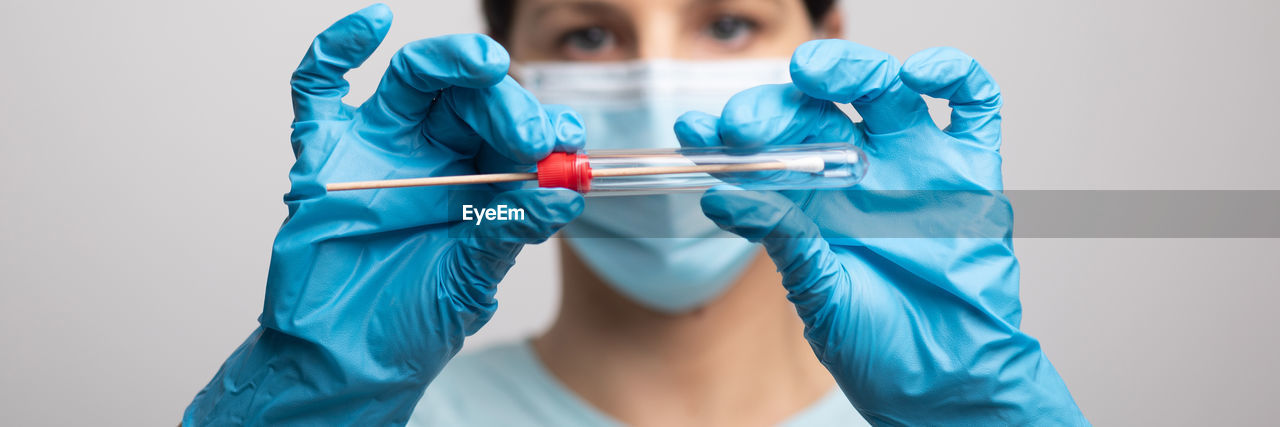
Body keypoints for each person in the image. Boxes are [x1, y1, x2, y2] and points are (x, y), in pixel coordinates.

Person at [183, 0, 1087, 425]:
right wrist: (308, 392)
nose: (655, 84)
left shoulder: (941, 406)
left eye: (726, 23)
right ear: (508, 73)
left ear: (825, 50)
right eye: (590, 34)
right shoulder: (396, 413)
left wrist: (978, 416)